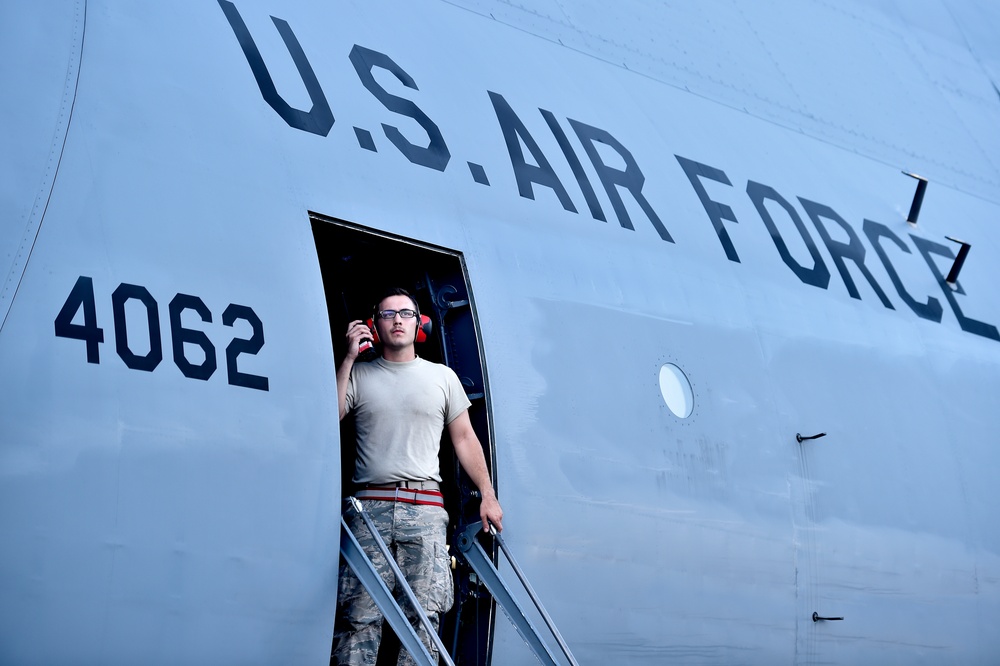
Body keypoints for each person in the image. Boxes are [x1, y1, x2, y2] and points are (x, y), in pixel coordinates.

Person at [332, 287, 503, 666]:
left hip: (424, 510)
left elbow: (464, 439)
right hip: (368, 511)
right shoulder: (358, 374)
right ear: (373, 325)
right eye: (388, 314)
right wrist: (346, 357)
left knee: (423, 619)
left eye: (405, 314)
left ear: (419, 323)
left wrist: (487, 495)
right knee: (358, 618)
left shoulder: (442, 377)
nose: (397, 320)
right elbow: (329, 417)